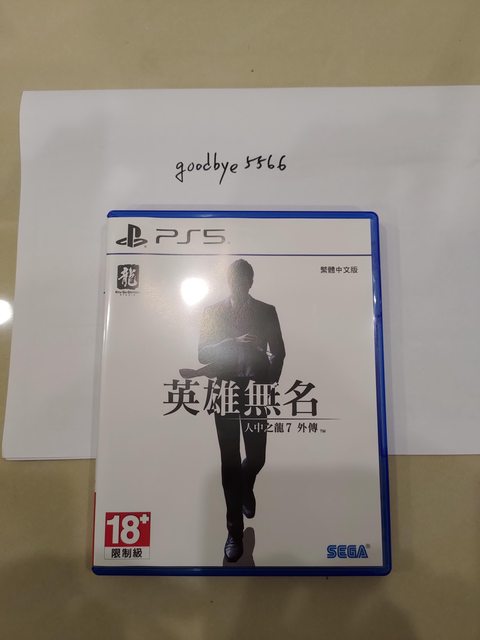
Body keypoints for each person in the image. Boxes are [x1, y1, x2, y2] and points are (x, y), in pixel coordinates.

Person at [197, 259, 285, 562]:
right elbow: (202, 353)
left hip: (257, 390)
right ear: (228, 282)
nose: (238, 285)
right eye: (234, 280)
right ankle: (234, 531)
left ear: (251, 282)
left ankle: (246, 484)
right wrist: (232, 341)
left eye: (244, 280)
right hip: (224, 391)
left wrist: (269, 381)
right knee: (230, 462)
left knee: (257, 457)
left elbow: (280, 352)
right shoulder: (212, 312)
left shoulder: (266, 311)